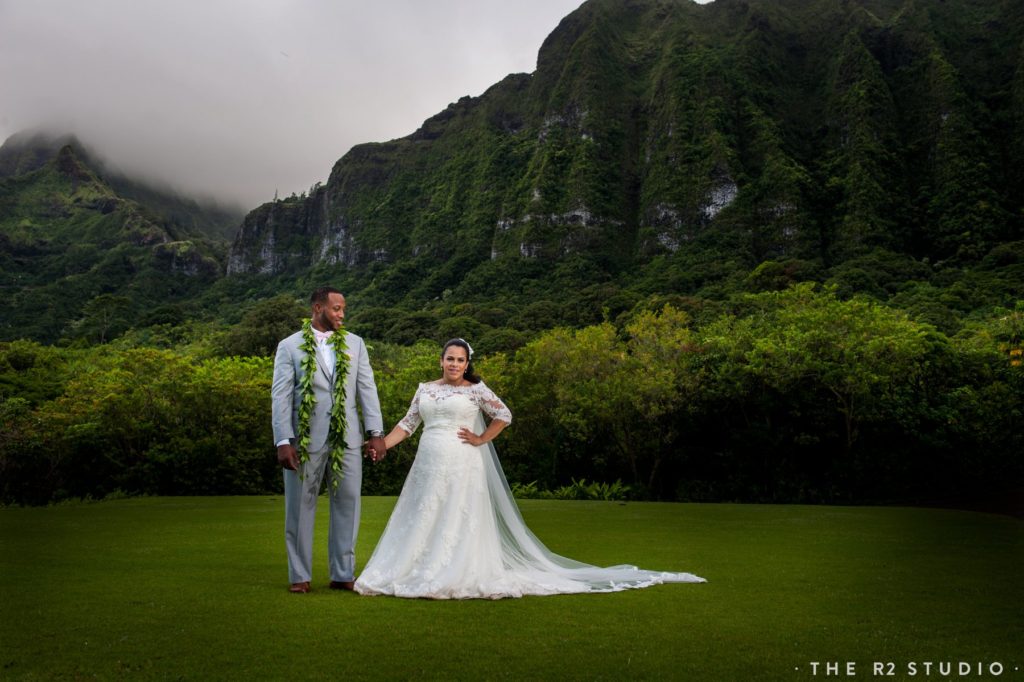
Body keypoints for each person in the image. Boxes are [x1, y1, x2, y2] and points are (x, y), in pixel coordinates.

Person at [354, 338, 705, 599]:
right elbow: (408, 424)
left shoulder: (477, 390)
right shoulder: (426, 390)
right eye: (449, 358)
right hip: (428, 462)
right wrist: (381, 443)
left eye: (460, 360)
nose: (454, 364)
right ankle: (415, 568)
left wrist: (481, 439)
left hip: (463, 462)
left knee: (457, 516)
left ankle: (453, 570)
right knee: (424, 512)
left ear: (467, 363)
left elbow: (504, 415)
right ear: (441, 360)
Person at [271, 287, 387, 593]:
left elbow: (367, 390)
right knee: (300, 507)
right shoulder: (289, 346)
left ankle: (343, 573)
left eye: (343, 309)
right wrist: (283, 439)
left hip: (348, 438)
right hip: (304, 441)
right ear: (318, 308)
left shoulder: (355, 344)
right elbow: (280, 396)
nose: (342, 314)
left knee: (348, 503)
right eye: (336, 309)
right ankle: (299, 576)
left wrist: (376, 434)